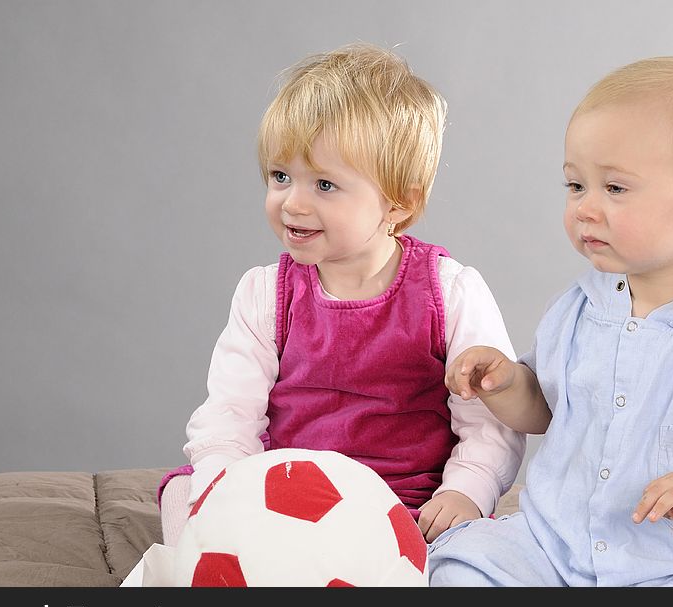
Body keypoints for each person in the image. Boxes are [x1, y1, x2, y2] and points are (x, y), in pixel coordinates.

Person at [432, 56, 673, 587]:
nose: (585, 208)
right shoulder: (579, 308)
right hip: (556, 550)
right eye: (575, 186)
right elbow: (544, 410)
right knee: (462, 566)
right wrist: (503, 382)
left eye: (614, 188)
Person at [158, 43, 524, 547]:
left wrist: (468, 491)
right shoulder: (265, 293)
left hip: (405, 499)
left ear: (399, 204)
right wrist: (222, 486)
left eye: (325, 184)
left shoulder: (450, 290)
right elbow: (229, 412)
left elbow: (488, 422)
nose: (293, 202)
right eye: (281, 176)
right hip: (281, 493)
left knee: (471, 552)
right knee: (184, 492)